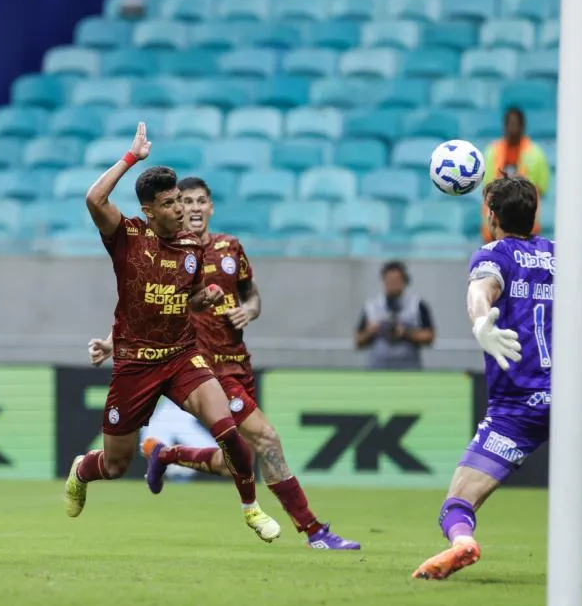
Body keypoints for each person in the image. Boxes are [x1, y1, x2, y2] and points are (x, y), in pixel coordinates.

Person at [412, 177, 582, 581]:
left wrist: (482, 322)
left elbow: (480, 291)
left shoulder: (493, 255)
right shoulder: (561, 258)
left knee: (458, 504)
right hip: (572, 395)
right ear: (535, 216)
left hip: (514, 408)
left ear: (491, 215)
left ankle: (462, 542)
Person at [87, 176, 361, 550]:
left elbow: (253, 298)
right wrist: (109, 341)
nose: (194, 207)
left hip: (238, 363)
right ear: (173, 207)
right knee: (266, 439)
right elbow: (142, 305)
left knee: (236, 456)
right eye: (186, 200)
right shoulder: (161, 248)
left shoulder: (230, 248)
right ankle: (314, 531)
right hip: (201, 366)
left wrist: (248, 311)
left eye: (201, 201)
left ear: (211, 207)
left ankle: (167, 454)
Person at [64, 122, 281, 542]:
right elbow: (94, 198)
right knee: (114, 465)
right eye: (169, 203)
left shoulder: (191, 246)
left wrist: (208, 297)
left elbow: (192, 298)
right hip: (135, 365)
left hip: (181, 356)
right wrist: (131, 158)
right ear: (149, 210)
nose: (181, 209)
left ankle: (251, 508)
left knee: (230, 434)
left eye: (181, 200)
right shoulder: (126, 235)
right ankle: (80, 470)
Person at [481, 107, 551, 243]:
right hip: (495, 229)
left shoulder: (536, 154)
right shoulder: (492, 152)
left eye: (516, 125)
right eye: (510, 124)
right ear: (504, 126)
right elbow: (487, 187)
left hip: (525, 230)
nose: (513, 129)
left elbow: (542, 188)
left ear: (523, 126)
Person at [355, 261, 435, 370]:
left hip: (409, 368)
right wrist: (371, 331)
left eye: (396, 281)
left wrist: (406, 333)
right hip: (378, 368)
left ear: (405, 281)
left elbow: (429, 336)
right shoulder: (371, 307)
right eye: (389, 281)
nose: (392, 285)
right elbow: (358, 340)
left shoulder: (417, 305)